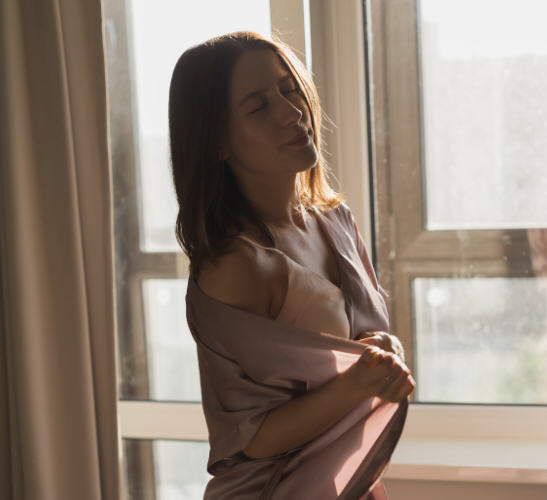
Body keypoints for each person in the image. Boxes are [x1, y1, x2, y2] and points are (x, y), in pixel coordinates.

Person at [169, 31, 414, 499]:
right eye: (259, 106)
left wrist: (376, 350)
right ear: (217, 142)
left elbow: (346, 350)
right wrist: (361, 379)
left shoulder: (334, 221)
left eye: (289, 88)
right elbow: (247, 439)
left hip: (345, 482)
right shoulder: (237, 267)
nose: (291, 111)